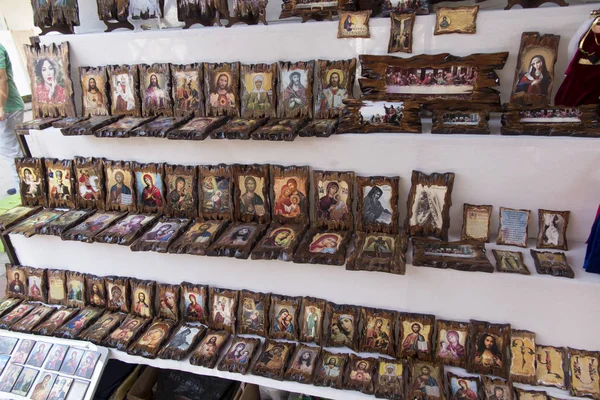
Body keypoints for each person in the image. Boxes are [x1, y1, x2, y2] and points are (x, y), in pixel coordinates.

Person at [0, 43, 25, 195]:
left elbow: (2, 79)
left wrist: (0, 107)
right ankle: (23, 187)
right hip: (8, 108)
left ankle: (24, 190)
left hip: (8, 109)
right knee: (12, 150)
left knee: (12, 152)